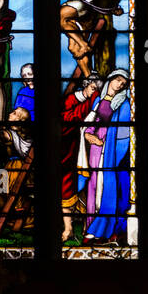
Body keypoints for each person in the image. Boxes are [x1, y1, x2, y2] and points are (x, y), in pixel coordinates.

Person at [78, 69, 131, 242]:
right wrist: (88, 135)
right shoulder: (99, 101)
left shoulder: (124, 104)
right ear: (110, 80)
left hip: (111, 150)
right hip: (95, 147)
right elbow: (91, 124)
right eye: (117, 80)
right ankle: (91, 225)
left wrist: (110, 145)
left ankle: (104, 230)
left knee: (108, 186)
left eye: (123, 83)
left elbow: (125, 132)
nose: (120, 84)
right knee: (93, 186)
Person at [61, 75, 101, 240]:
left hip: (92, 152)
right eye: (92, 87)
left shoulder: (98, 101)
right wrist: (90, 100)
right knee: (66, 189)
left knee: (90, 189)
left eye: (97, 88)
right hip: (71, 153)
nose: (94, 90)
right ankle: (68, 229)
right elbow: (70, 118)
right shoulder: (71, 100)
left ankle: (88, 227)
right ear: (86, 85)